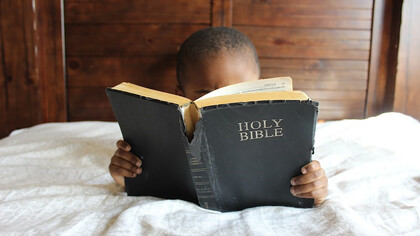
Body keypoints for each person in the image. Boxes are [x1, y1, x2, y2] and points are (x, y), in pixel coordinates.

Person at [109, 27, 328, 206]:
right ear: (180, 95)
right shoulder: (163, 137)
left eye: (240, 91)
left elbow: (307, 185)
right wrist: (125, 175)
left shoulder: (280, 132)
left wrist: (313, 188)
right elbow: (142, 179)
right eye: (207, 94)